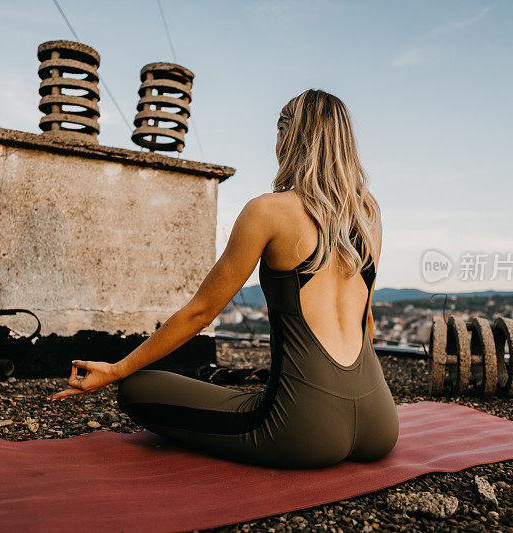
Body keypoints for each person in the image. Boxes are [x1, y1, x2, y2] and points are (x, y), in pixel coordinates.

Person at [52, 89, 399, 469]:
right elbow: (364, 319)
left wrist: (118, 369)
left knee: (138, 388)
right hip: (379, 421)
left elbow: (201, 313)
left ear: (290, 136)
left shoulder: (267, 210)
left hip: (305, 429)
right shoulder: (369, 215)